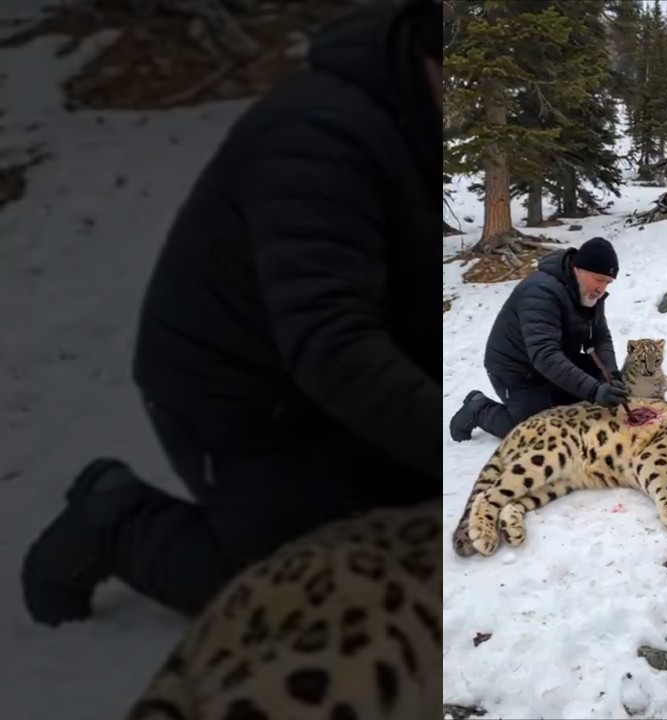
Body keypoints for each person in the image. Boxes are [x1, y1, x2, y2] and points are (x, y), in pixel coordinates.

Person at [21, 0, 443, 626]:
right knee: (307, 599)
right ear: (428, 53)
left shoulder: (417, 116)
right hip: (238, 402)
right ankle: (116, 521)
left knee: (422, 536)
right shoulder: (319, 138)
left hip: (321, 391)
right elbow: (331, 339)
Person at [450, 237, 631, 441]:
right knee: (538, 435)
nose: (602, 289)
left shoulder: (588, 293)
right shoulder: (540, 292)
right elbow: (545, 354)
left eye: (607, 282)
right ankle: (479, 409)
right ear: (578, 269)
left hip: (557, 360)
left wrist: (612, 375)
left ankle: (561, 399)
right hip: (517, 371)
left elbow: (600, 337)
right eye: (599, 280)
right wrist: (594, 390)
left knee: (599, 398)